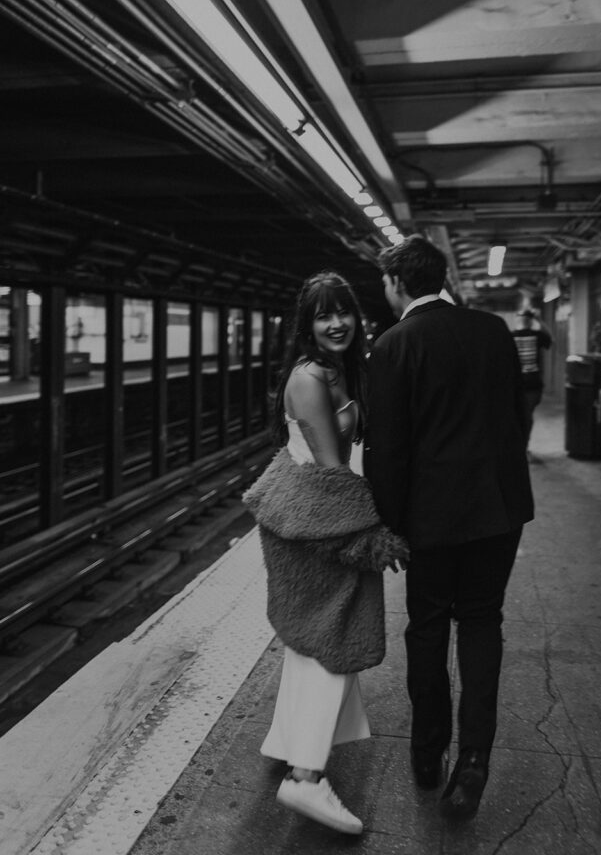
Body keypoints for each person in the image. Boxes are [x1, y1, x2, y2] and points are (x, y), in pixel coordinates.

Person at [364, 236, 534, 820]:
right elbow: (520, 410)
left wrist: (390, 524)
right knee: (484, 622)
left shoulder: (392, 346)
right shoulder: (492, 330)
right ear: (439, 277)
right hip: (499, 511)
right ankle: (475, 761)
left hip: (431, 520)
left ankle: (426, 753)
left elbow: (386, 452)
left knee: (429, 626)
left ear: (396, 283)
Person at [243, 271, 408, 835]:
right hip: (318, 525)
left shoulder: (340, 371)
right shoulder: (311, 379)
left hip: (322, 521)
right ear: (306, 325)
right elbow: (333, 475)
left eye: (343, 311)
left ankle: (288, 743)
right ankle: (307, 779)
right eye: (322, 314)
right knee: (334, 638)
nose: (336, 322)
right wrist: (368, 539)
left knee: (315, 637)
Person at [510, 309, 553, 450]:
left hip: (517, 384)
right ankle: (523, 444)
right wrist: (540, 320)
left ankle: (521, 445)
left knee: (520, 416)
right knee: (526, 415)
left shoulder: (510, 336)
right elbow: (550, 339)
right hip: (531, 384)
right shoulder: (537, 335)